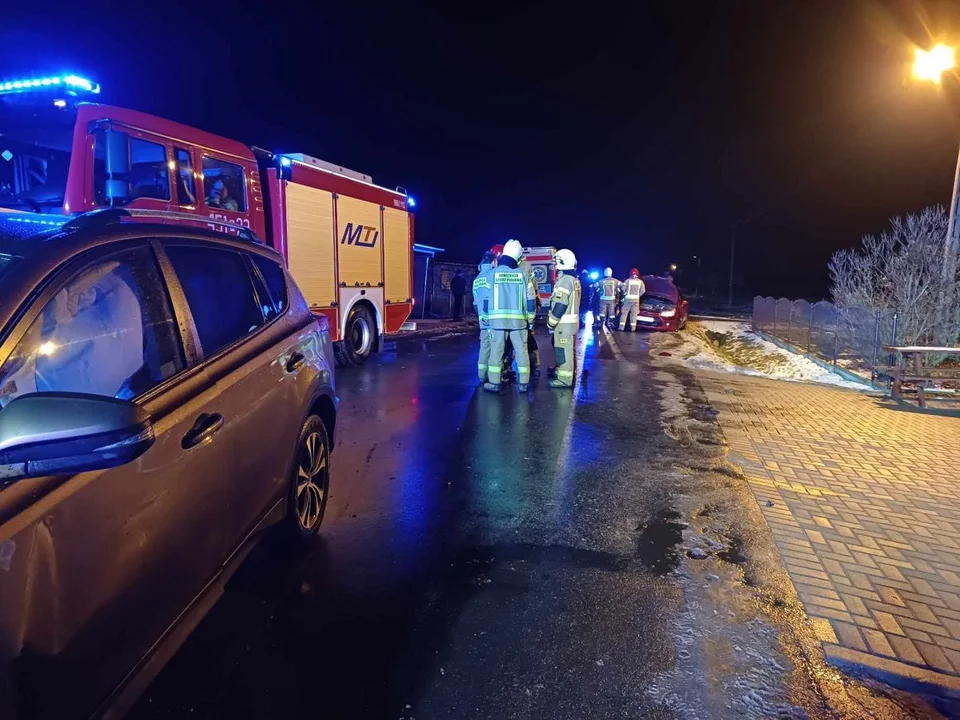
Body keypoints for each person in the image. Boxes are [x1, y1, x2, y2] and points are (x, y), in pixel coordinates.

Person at [484, 239, 536, 393]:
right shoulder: (523, 275)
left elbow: (486, 300)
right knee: (521, 351)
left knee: (497, 351)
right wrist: (531, 320)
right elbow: (531, 300)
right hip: (519, 322)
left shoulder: (492, 274)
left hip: (496, 322)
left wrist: (486, 320)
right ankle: (524, 384)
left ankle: (494, 383)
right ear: (518, 257)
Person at [547, 249, 581, 388]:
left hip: (563, 324)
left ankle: (564, 380)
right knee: (568, 350)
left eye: (556, 263)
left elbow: (561, 303)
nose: (554, 266)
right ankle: (565, 372)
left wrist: (551, 323)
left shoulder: (564, 281)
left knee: (562, 350)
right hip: (571, 323)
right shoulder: (574, 280)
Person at [472, 252, 495, 384]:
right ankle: (493, 378)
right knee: (495, 347)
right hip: (492, 318)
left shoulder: (477, 279)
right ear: (493, 262)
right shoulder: (493, 275)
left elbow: (475, 303)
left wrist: (481, 316)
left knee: (484, 346)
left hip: (482, 319)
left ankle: (482, 376)